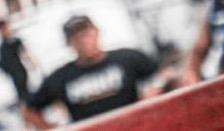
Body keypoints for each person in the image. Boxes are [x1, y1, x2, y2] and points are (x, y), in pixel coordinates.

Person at [25, 16, 158, 127]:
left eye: (86, 33)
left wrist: (151, 95)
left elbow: (160, 75)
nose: (83, 40)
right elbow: (29, 111)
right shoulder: (60, 77)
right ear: (69, 43)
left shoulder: (127, 58)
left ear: (97, 32)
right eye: (76, 36)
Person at [1, 19, 35, 111]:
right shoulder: (3, 47)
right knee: (22, 96)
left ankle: (31, 113)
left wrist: (32, 62)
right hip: (14, 74)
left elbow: (25, 53)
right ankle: (27, 115)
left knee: (27, 94)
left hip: (21, 70)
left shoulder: (16, 41)